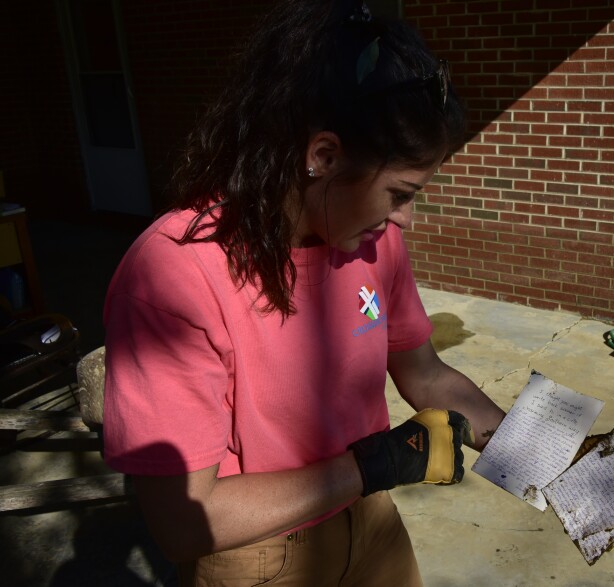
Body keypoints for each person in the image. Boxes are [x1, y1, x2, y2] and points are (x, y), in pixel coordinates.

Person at [101, 1, 506, 585]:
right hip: (260, 554)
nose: (407, 220)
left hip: (370, 524)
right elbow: (186, 523)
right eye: (399, 193)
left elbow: (426, 374)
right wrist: (375, 464)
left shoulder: (372, 243)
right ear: (322, 156)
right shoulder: (175, 276)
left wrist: (544, 456)